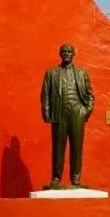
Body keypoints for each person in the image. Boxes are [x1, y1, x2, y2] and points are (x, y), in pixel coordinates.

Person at [40, 43, 94, 187]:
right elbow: (45, 94)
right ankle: (56, 177)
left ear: (73, 54)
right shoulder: (51, 73)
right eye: (64, 51)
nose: (66, 53)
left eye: (69, 51)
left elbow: (90, 95)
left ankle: (75, 178)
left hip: (77, 112)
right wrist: (46, 112)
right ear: (60, 54)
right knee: (58, 147)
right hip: (59, 112)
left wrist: (86, 111)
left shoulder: (82, 73)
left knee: (76, 146)